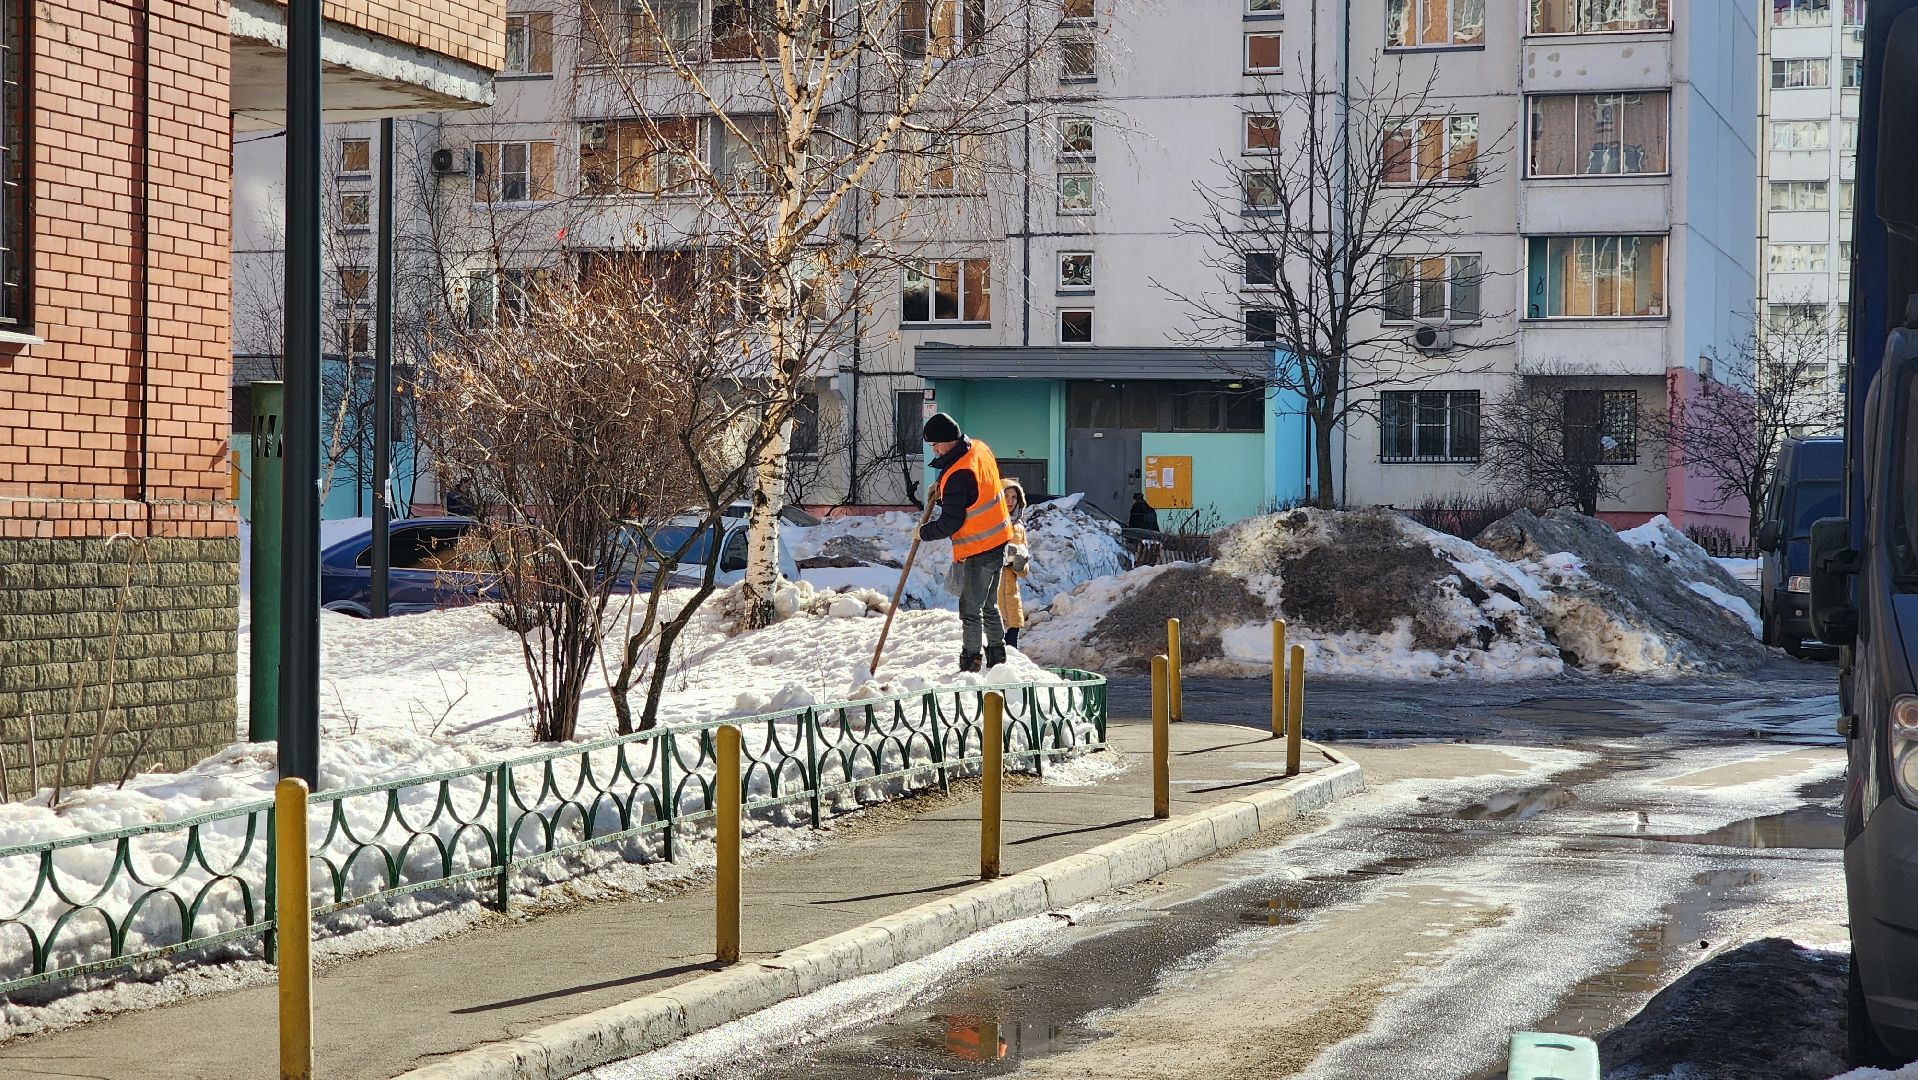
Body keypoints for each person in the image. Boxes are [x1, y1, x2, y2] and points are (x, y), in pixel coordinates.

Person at [920, 412, 1012, 672]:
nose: (934, 451)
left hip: (979, 549)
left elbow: (951, 522)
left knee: (971, 609)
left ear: (950, 440)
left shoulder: (959, 473)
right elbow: (976, 493)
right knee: (989, 605)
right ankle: (998, 659)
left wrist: (923, 533)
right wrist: (941, 493)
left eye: (936, 445)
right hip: (999, 541)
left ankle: (970, 661)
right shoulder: (978, 449)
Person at [999, 479, 1032, 649]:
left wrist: (1018, 562)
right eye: (1006, 496)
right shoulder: (989, 524)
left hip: (1012, 599)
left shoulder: (1019, 528)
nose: (1010, 501)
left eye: (1014, 497)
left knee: (1012, 656)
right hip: (992, 600)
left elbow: (1024, 569)